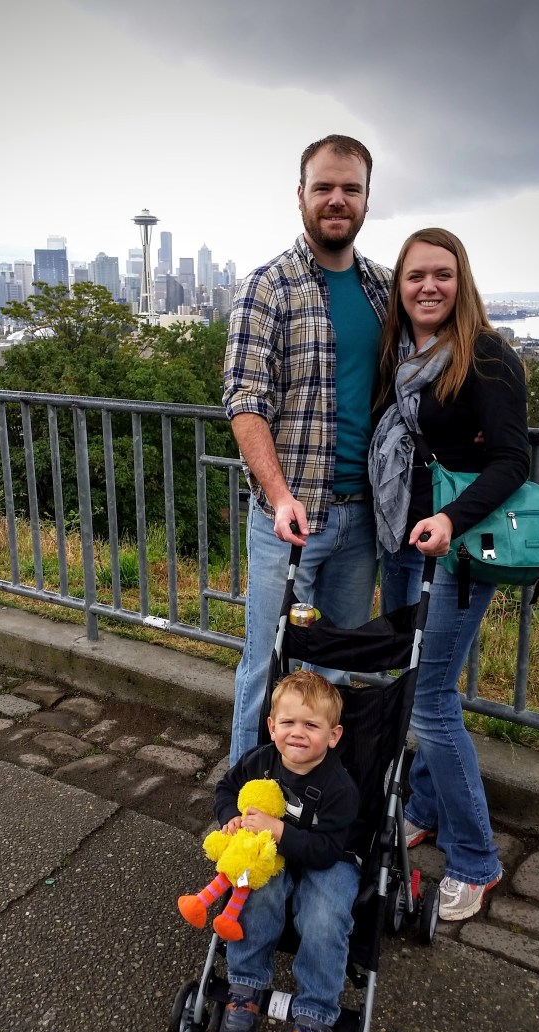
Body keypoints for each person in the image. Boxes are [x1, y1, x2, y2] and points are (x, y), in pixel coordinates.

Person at [368, 227, 530, 921]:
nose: (428, 286)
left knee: (430, 698)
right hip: (401, 541)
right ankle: (428, 808)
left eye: (442, 274)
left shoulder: (485, 354)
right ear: (399, 288)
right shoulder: (400, 355)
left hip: (455, 552)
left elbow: (512, 460)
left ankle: (475, 858)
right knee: (414, 685)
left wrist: (451, 519)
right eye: (415, 276)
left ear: (461, 280)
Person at [223, 134, 391, 764]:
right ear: (300, 196)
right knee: (267, 666)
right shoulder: (267, 286)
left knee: (334, 675)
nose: (336, 199)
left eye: (350, 188)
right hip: (288, 519)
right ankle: (244, 798)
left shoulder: (383, 289)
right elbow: (245, 400)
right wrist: (278, 495)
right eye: (323, 187)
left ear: (368, 200)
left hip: (364, 517)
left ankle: (318, 799)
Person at [214, 670, 360, 1032]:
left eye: (311, 725)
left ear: (333, 736)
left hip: (330, 858)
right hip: (271, 855)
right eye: (289, 722)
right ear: (272, 726)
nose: (298, 733)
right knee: (253, 891)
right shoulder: (260, 761)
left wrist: (279, 831)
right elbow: (226, 789)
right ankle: (246, 983)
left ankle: (315, 1013)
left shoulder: (339, 787)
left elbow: (327, 850)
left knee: (325, 918)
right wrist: (230, 818)